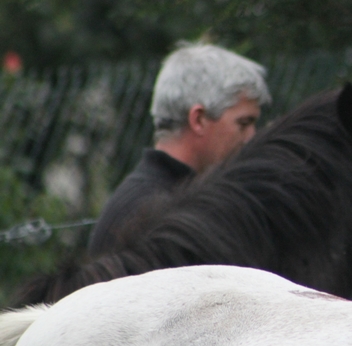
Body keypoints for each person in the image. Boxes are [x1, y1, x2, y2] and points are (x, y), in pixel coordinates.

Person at [88, 42, 271, 256]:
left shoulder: (151, 199)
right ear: (199, 119)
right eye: (243, 123)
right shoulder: (150, 212)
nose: (252, 137)